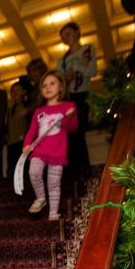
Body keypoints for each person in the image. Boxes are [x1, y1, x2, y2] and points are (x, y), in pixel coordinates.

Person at [23, 71, 78, 221]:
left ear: (61, 86)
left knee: (54, 183)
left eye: (52, 84)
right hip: (39, 150)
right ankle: (40, 198)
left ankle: (53, 213)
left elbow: (73, 128)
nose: (48, 88)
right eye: (44, 85)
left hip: (58, 152)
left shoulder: (68, 106)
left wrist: (69, 117)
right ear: (41, 90)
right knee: (34, 172)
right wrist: (27, 144)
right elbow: (32, 130)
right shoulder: (39, 111)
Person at [57, 21, 96, 179]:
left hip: (82, 95)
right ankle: (74, 173)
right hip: (67, 99)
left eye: (68, 34)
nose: (65, 38)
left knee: (79, 134)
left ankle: (84, 171)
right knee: (69, 136)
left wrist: (76, 69)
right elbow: (60, 80)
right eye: (63, 36)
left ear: (78, 32)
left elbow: (92, 71)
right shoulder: (62, 60)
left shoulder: (87, 49)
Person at [6, 81, 29, 178]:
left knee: (23, 168)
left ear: (23, 92)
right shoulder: (9, 109)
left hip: (23, 142)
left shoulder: (27, 106)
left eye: (18, 90)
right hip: (11, 142)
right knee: (12, 168)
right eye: (13, 91)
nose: (15, 93)